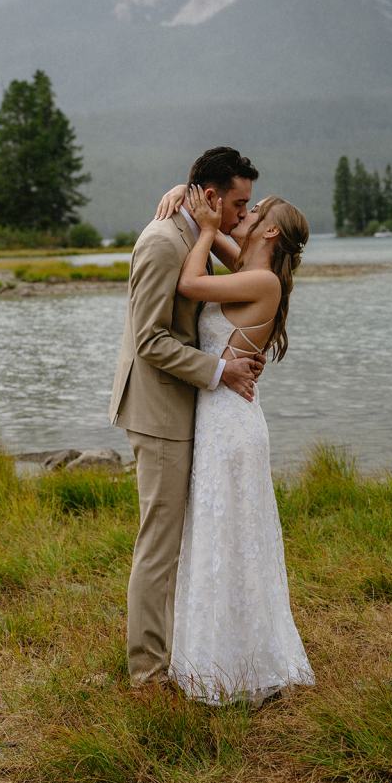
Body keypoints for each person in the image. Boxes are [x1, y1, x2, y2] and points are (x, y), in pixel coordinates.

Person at [108, 147, 265, 687]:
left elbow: (244, 259)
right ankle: (146, 675)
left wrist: (188, 192)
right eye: (238, 204)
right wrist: (219, 369)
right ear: (214, 197)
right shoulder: (159, 243)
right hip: (157, 414)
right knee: (159, 547)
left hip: (184, 408)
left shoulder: (191, 230)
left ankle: (178, 655)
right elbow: (150, 340)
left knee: (177, 542)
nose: (244, 216)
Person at [156, 182, 315, 706]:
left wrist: (203, 229)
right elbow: (214, 231)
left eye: (253, 210)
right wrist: (184, 190)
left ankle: (241, 663)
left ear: (269, 230)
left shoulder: (262, 282)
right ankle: (214, 655)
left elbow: (190, 283)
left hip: (233, 427)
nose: (237, 215)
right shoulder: (249, 264)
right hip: (220, 419)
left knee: (233, 538)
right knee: (214, 534)